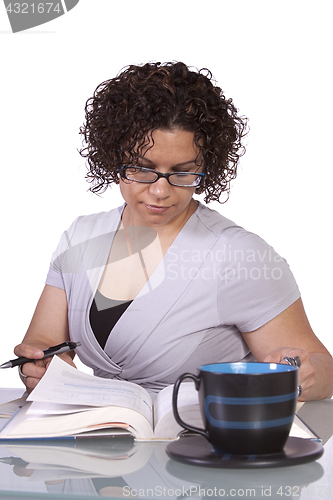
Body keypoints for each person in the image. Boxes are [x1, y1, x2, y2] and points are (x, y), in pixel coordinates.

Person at [15, 61, 333, 401]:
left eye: (182, 173)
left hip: (204, 441)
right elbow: (43, 342)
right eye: (143, 169)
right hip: (102, 435)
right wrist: (38, 365)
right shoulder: (81, 237)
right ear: (113, 157)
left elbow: (323, 369)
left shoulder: (238, 255)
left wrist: (298, 374)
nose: (161, 191)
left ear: (207, 166)